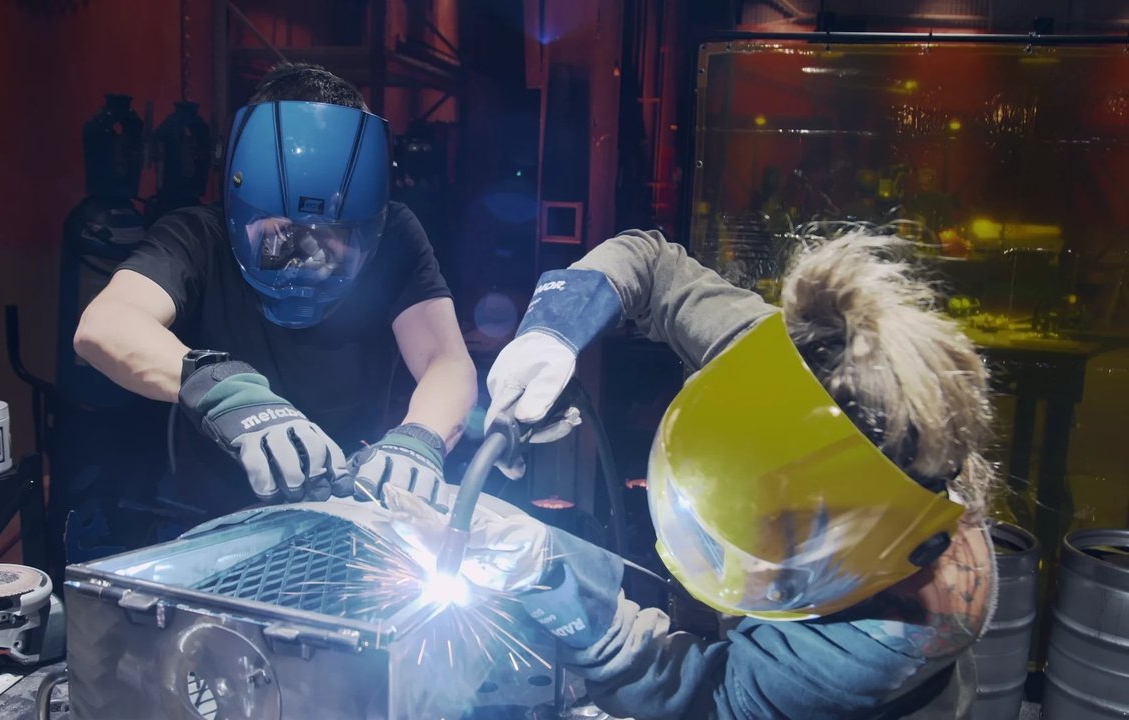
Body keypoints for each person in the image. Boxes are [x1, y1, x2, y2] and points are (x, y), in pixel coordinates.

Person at [386, 227, 998, 719]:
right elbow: (650, 263)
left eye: (781, 536)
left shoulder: (877, 643)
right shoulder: (786, 369)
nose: (748, 552)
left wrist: (547, 571)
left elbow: (699, 696)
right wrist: (554, 331)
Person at [74, 63, 476, 537]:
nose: (310, 255)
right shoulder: (197, 236)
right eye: (284, 235)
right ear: (240, 205)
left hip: (350, 511)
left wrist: (420, 437)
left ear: (372, 220)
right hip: (212, 520)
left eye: (335, 236)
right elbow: (106, 324)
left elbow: (445, 359)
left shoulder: (396, 236)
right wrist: (229, 394)